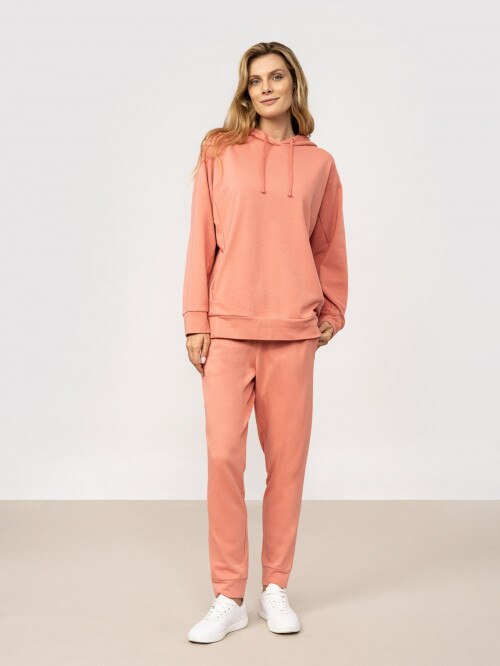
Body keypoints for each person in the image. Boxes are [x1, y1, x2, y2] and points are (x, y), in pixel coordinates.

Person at [183, 41, 348, 644]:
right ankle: (229, 595)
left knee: (287, 465)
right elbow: (200, 237)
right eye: (256, 81)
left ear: (293, 84)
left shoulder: (320, 164)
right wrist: (195, 318)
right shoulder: (219, 152)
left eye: (277, 77)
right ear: (246, 92)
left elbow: (329, 244)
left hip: (292, 332)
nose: (267, 88)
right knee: (223, 459)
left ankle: (275, 586)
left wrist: (333, 309)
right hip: (227, 329)